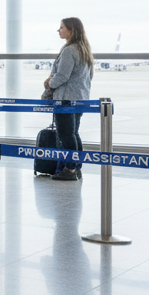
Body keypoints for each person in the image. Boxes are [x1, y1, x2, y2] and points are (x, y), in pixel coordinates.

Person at [46, 17, 94, 181]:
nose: (59, 30)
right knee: (73, 134)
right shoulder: (84, 50)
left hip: (66, 99)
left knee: (66, 136)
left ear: (71, 30)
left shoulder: (69, 50)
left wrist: (50, 83)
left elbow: (62, 76)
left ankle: (70, 169)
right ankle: (76, 167)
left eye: (61, 27)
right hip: (80, 99)